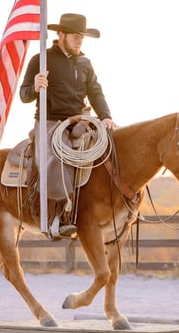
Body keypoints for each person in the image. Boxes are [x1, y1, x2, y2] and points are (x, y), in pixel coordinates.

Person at [19, 13, 116, 237]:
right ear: (60, 35)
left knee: (113, 143)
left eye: (81, 37)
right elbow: (24, 95)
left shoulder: (84, 62)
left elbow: (95, 92)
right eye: (75, 37)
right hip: (51, 120)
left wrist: (105, 116)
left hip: (81, 119)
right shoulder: (42, 60)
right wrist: (35, 86)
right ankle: (56, 217)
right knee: (57, 153)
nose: (79, 41)